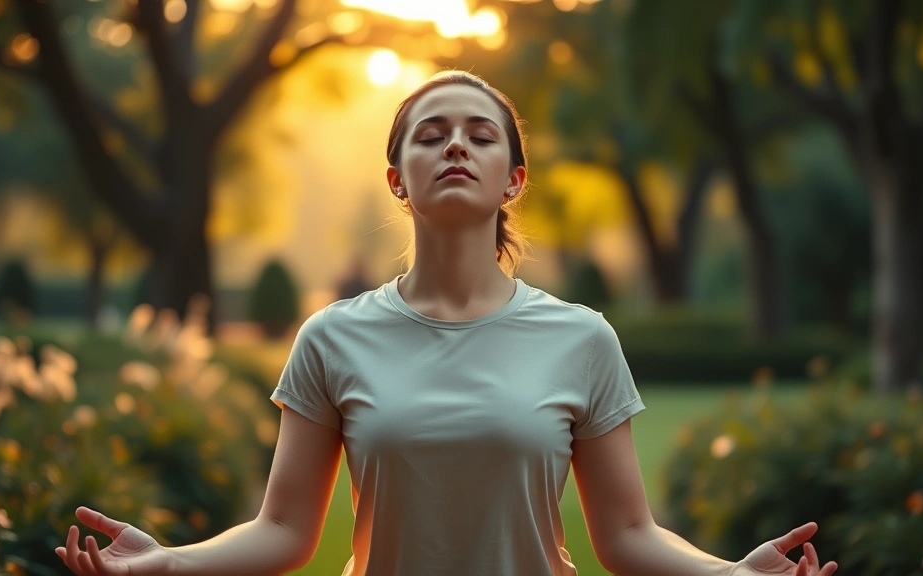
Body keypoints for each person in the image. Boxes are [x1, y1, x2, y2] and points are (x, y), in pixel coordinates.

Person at [55, 70, 838, 576]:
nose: (455, 145)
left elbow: (628, 536)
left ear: (512, 179)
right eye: (430, 136)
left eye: (478, 134)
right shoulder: (331, 338)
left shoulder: (583, 338)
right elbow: (286, 529)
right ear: (399, 181)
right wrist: (168, 566)